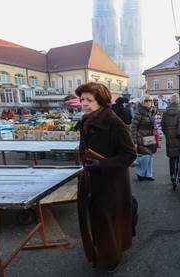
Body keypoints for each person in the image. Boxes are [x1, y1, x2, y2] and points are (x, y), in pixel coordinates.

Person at [75, 82, 137, 272]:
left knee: (109, 221)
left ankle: (112, 258)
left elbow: (130, 154)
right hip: (93, 179)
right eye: (82, 99)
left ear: (100, 101)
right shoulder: (88, 119)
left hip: (111, 183)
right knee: (98, 219)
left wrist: (102, 164)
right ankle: (105, 251)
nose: (84, 103)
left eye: (89, 100)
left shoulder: (113, 122)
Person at [130, 95, 157, 181]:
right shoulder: (139, 112)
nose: (148, 102)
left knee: (150, 156)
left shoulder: (152, 111)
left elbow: (152, 124)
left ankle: (148, 174)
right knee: (145, 156)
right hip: (141, 136)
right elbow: (133, 127)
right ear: (142, 102)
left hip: (149, 136)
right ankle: (140, 173)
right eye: (146, 101)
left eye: (150, 100)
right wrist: (134, 141)